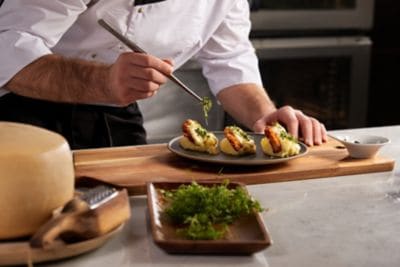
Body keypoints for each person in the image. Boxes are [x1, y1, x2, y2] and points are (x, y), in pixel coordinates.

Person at [0, 0, 327, 149]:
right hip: (22, 109)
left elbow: (229, 58)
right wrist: (103, 81)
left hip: (115, 114)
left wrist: (265, 116)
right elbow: (9, 49)